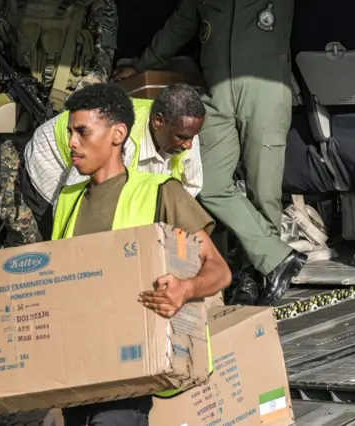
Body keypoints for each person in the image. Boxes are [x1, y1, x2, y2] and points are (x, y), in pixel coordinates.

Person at [52, 83, 231, 426]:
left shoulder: (162, 191)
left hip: (129, 374)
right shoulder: (68, 199)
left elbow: (219, 269)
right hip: (78, 373)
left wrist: (185, 289)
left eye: (82, 132)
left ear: (117, 134)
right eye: (71, 132)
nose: (72, 142)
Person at [111, 0, 307, 306]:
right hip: (217, 95)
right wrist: (141, 65)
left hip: (265, 92)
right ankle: (275, 258)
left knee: (263, 190)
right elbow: (178, 26)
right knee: (210, 182)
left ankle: (253, 273)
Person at [0, 0, 119, 247]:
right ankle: (29, 267)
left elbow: (103, 63)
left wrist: (74, 111)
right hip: (22, 112)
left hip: (70, 120)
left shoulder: (95, 4)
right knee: (14, 206)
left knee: (74, 200)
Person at [24, 83, 205, 238]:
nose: (189, 145)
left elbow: (186, 193)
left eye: (192, 137)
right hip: (52, 161)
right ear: (158, 121)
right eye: (183, 137)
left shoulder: (186, 132)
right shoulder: (119, 140)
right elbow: (77, 202)